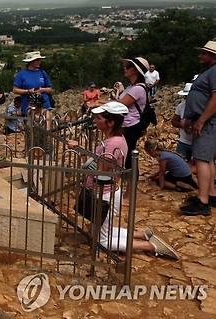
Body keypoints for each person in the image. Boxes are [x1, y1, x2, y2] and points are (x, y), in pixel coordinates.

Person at [71, 102, 178, 259]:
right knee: (98, 230)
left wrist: (81, 156)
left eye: (99, 118)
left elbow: (101, 171)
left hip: (104, 195)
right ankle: (142, 234)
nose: (95, 120)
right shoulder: (115, 140)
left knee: (101, 241)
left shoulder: (113, 144)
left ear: (111, 122)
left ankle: (150, 245)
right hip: (106, 192)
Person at [179, 41, 216, 216]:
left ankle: (203, 202)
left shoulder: (214, 71)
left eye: (204, 53)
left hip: (207, 122)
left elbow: (215, 98)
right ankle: (210, 194)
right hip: (205, 120)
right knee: (207, 159)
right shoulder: (210, 71)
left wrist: (201, 120)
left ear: (212, 56)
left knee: (201, 159)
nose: (200, 56)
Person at [118, 57, 150, 170]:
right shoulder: (132, 87)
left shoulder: (138, 89)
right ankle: (129, 184)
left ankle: (131, 184)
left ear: (136, 70)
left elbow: (120, 105)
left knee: (128, 158)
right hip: (127, 125)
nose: (125, 69)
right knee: (125, 156)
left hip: (131, 126)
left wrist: (100, 103)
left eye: (128, 67)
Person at [12, 51, 53, 117]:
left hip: (44, 104)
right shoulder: (21, 74)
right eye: (37, 60)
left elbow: (50, 89)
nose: (39, 61)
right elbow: (15, 90)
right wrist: (28, 91)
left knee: (47, 123)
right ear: (31, 61)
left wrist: (41, 90)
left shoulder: (42, 72)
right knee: (31, 125)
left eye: (39, 60)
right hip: (28, 105)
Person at [171, 82, 193, 161]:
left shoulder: (201, 107)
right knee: (180, 162)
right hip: (183, 141)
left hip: (198, 143)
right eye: (185, 96)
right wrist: (182, 124)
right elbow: (173, 121)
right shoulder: (181, 106)